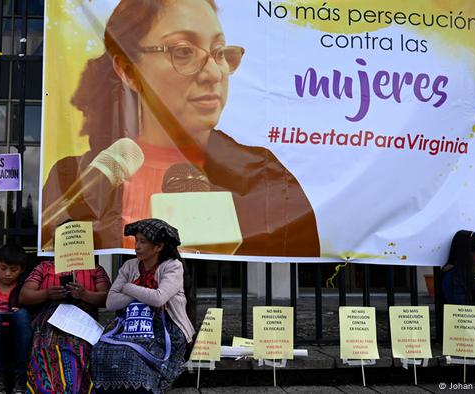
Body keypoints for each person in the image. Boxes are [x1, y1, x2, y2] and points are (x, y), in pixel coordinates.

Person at [41, 0, 320, 257]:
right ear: (127, 70)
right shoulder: (73, 178)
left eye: (220, 53)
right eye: (184, 51)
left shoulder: (267, 179)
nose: (213, 74)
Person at [90, 218, 195, 394]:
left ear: (158, 246)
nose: (136, 246)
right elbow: (111, 302)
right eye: (136, 241)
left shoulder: (173, 267)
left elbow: (159, 298)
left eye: (142, 242)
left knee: (131, 355)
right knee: (101, 350)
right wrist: (143, 295)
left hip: (166, 330)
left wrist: (128, 287)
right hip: (131, 326)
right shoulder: (129, 266)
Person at [19, 256, 111, 393]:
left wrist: (84, 294)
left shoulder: (95, 268)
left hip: (82, 318)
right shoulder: (44, 267)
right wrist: (46, 294)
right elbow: (24, 296)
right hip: (49, 317)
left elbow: (108, 298)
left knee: (77, 347)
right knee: (45, 346)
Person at [0, 244, 32, 394]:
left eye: (13, 270)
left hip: (16, 329)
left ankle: (21, 377)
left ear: (21, 270)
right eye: (3, 268)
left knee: (22, 315)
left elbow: (32, 311)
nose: (7, 273)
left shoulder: (25, 287)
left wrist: (21, 309)